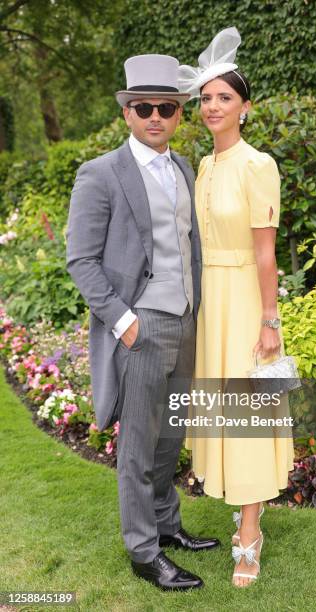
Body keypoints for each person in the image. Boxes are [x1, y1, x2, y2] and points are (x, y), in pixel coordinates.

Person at [66, 54, 220, 592]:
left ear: (179, 114)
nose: (156, 116)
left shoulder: (182, 169)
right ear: (127, 113)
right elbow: (81, 261)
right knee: (136, 444)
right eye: (143, 107)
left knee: (169, 436)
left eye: (166, 107)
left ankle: (167, 525)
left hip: (184, 321)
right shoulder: (101, 173)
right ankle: (142, 551)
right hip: (140, 324)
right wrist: (123, 320)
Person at [179, 28, 295, 587]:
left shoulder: (257, 165)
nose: (212, 107)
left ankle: (248, 536)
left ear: (245, 108)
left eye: (224, 97)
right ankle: (246, 509)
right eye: (205, 98)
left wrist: (270, 322)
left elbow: (266, 254)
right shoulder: (204, 166)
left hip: (247, 301)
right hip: (211, 304)